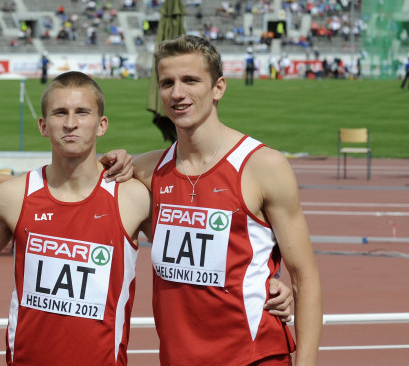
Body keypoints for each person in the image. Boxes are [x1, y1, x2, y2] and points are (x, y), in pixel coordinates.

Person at [105, 35, 322, 365]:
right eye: (167, 83)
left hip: (253, 356)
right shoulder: (147, 171)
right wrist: (115, 156)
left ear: (218, 87)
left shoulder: (263, 167)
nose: (177, 93)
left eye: (190, 80)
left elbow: (305, 278)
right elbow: (76, 184)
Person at [0, 71, 153, 365]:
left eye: (82, 112)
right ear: (44, 126)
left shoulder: (132, 198)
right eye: (60, 113)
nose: (71, 123)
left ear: (101, 124)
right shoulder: (15, 197)